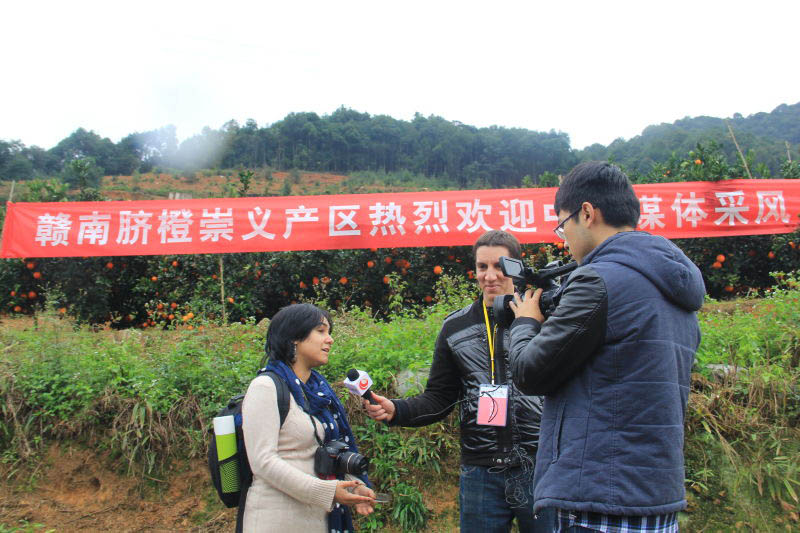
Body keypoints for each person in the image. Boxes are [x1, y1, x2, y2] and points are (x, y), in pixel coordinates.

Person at [508, 161, 705, 532]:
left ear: (586, 213)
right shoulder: (676, 286)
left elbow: (529, 372)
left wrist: (526, 322)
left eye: (562, 224)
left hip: (599, 497)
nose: (564, 238)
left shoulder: (598, 281)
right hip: (656, 496)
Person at [363, 230, 555, 533]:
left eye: (499, 266)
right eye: (482, 266)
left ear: (517, 268)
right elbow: (440, 397)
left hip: (540, 465)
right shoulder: (456, 326)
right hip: (481, 471)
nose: (490, 276)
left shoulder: (545, 319)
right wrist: (397, 410)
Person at [241, 303, 375, 532]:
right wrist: (328, 491)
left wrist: (355, 486)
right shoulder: (265, 387)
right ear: (294, 337)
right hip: (276, 521)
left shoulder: (319, 391)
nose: (330, 339)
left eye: (329, 332)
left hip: (319, 520)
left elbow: (329, 451)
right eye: (321, 331)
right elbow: (262, 461)